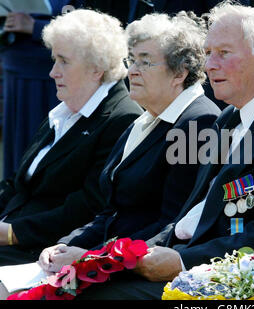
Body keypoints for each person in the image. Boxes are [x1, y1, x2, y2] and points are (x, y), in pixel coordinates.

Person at [50, 1, 254, 300]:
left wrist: (180, 262)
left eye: (223, 53)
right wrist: (107, 258)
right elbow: (191, 217)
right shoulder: (229, 118)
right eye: (207, 53)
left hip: (238, 286)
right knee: (71, 284)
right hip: (196, 266)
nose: (209, 65)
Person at [32, 12, 221, 275]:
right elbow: (111, 212)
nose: (132, 70)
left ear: (179, 72)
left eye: (145, 62)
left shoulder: (197, 122)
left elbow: (172, 223)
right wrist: (65, 246)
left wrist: (91, 258)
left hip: (143, 269)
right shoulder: (146, 119)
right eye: (131, 60)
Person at [0, 9, 143, 265]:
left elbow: (87, 208)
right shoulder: (67, 106)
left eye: (63, 61)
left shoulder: (120, 118)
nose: (53, 72)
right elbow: (19, 183)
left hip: (46, 250)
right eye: (54, 59)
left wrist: (12, 234)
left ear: (96, 68)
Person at [0, 0, 81, 179]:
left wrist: (36, 27)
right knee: (18, 159)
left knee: (48, 156)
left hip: (54, 77)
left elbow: (89, 26)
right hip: (15, 71)